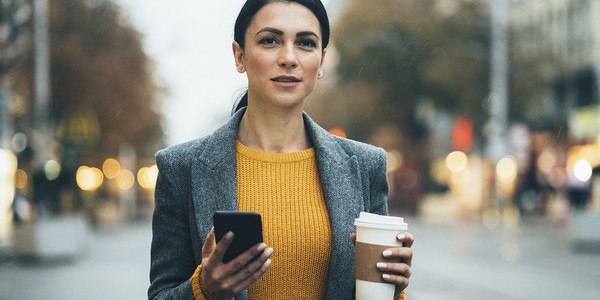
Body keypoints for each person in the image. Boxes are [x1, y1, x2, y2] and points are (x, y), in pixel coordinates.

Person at [148, 1, 414, 299]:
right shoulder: (180, 168)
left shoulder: (366, 165)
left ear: (322, 60)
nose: (289, 57)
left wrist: (392, 288)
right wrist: (204, 289)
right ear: (239, 56)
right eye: (270, 40)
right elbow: (161, 294)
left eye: (305, 43)